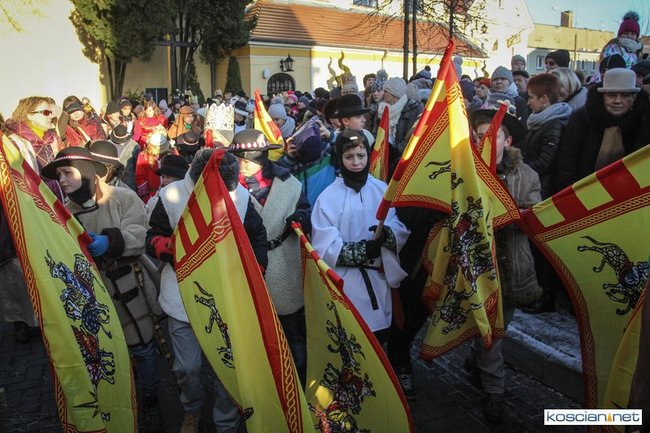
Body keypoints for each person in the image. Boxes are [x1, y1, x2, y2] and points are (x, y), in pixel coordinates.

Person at [41, 147, 163, 433]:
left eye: (67, 173)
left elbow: (141, 234)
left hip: (131, 287)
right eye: (59, 176)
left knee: (143, 348)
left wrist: (112, 242)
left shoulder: (121, 197)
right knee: (112, 353)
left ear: (86, 172)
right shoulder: (65, 214)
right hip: (96, 296)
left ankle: (152, 401)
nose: (62, 180)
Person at [147, 148, 267, 433]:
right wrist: (169, 249)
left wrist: (257, 270)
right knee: (186, 368)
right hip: (182, 297)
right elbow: (152, 236)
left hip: (227, 298)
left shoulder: (241, 197)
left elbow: (257, 236)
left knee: (227, 366)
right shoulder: (171, 195)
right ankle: (192, 408)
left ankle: (226, 422)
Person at [468, 108, 541, 423]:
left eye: (493, 134)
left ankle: (479, 364)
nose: (486, 140)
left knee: (497, 329)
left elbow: (536, 215)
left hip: (512, 267)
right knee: (489, 331)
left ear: (507, 140)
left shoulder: (528, 175)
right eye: (480, 135)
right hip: (477, 267)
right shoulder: (467, 170)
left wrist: (515, 213)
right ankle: (494, 389)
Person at [311, 129, 409, 345]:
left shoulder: (381, 190)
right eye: (349, 157)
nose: (356, 162)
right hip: (346, 284)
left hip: (378, 281)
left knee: (379, 339)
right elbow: (324, 246)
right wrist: (362, 251)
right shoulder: (327, 198)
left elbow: (398, 227)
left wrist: (387, 235)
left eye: (361, 155)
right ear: (340, 158)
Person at [230, 129, 311, 385]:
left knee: (293, 330)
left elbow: (305, 209)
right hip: (244, 266)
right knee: (251, 332)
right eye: (238, 158)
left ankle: (299, 384)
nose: (241, 164)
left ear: (262, 157)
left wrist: (302, 218)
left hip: (283, 261)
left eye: (247, 159)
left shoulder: (290, 185)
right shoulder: (227, 188)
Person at [555, 68, 650, 192]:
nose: (617, 101)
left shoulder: (645, 122)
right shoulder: (581, 119)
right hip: (584, 191)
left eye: (625, 95)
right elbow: (566, 164)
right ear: (602, 96)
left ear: (634, 97)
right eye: (611, 95)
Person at [521, 73, 572, 199]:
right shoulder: (540, 120)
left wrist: (520, 168)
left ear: (544, 99)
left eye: (531, 97)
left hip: (543, 188)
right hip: (536, 182)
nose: (528, 102)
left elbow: (545, 163)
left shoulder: (554, 125)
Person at [6, 96, 63, 199]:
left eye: (51, 112)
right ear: (29, 115)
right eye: (46, 112)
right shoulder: (15, 142)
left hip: (58, 196)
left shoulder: (52, 139)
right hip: (33, 200)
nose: (51, 116)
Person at [592, 11, 644, 83]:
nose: (629, 36)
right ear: (620, 34)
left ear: (637, 36)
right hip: (610, 82)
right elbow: (609, 68)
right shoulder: (613, 48)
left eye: (633, 34)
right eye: (626, 33)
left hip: (629, 83)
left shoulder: (637, 51)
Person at [135, 132, 176, 203]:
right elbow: (140, 177)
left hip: (171, 194)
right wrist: (146, 197)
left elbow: (178, 172)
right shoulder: (143, 157)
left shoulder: (173, 154)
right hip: (152, 195)